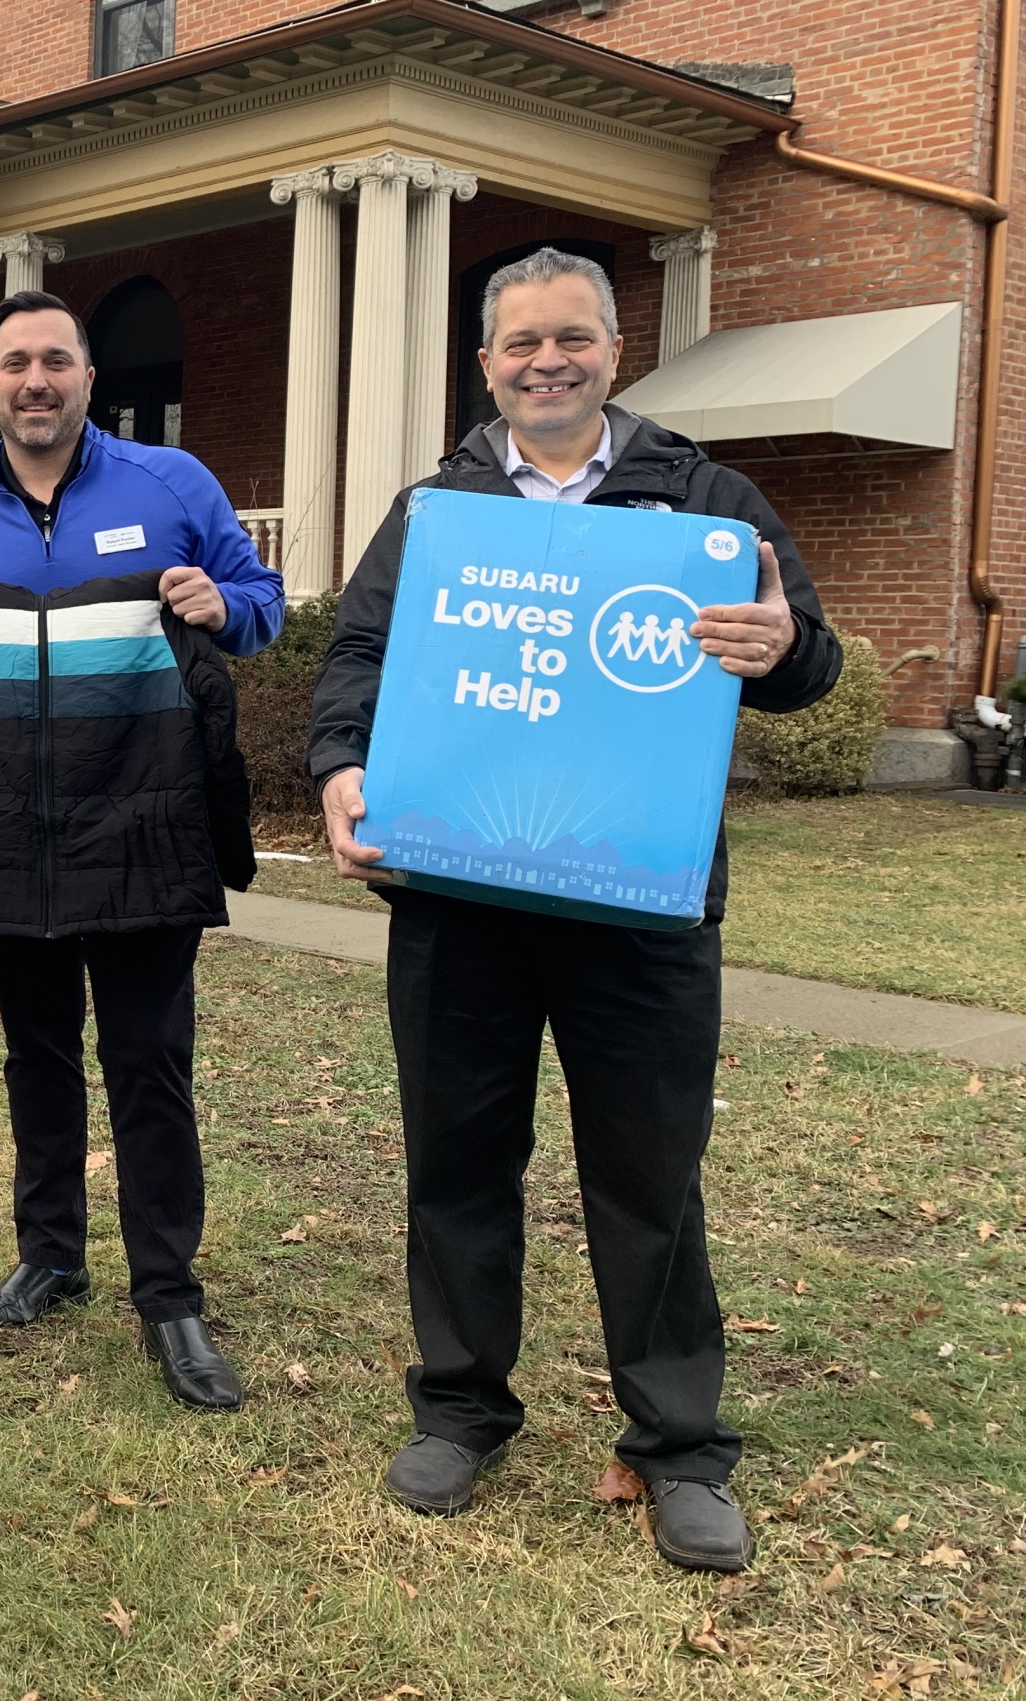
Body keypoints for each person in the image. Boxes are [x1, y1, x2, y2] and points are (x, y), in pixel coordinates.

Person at [306, 247, 840, 1572]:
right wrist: (339, 767)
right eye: (520, 343)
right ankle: (460, 1408)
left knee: (649, 1181)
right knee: (459, 1164)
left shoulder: (708, 499)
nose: (547, 361)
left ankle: (680, 1448)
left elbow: (800, 656)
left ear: (613, 349)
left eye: (572, 339)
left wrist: (785, 650)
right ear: (486, 364)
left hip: (638, 909)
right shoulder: (438, 508)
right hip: (460, 901)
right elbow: (358, 660)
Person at [0, 288, 284, 1408]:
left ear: (88, 378)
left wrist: (217, 603)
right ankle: (49, 1255)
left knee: (147, 1067)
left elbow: (262, 602)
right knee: (35, 1059)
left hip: (145, 828)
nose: (34, 380)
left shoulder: (171, 486)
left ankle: (170, 1297)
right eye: (14, 363)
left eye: (56, 360)